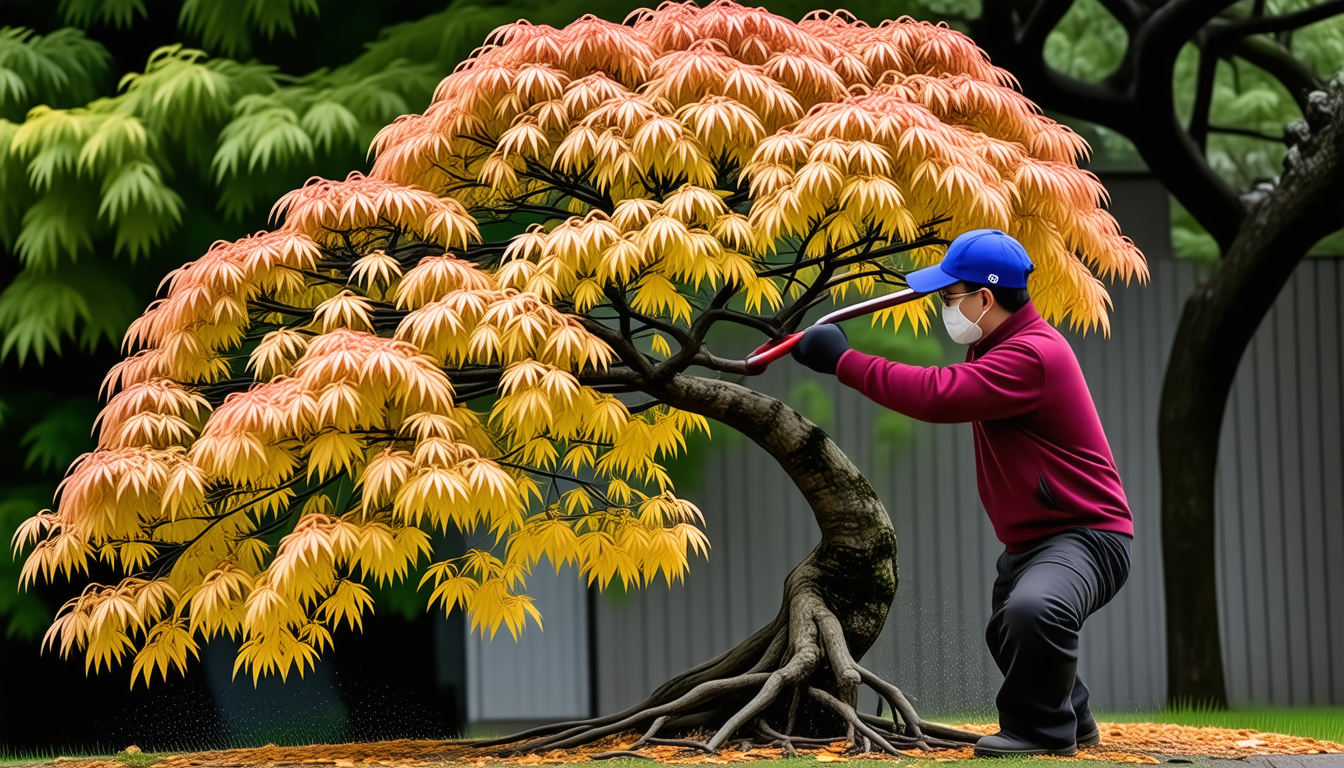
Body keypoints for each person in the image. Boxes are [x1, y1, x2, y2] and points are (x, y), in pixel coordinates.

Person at [790, 229, 1134, 758]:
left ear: (985, 299)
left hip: (1086, 535)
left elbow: (936, 394)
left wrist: (844, 361)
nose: (944, 306)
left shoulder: (1031, 355)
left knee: (1033, 612)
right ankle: (1074, 719)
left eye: (950, 296)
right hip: (1033, 542)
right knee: (1010, 630)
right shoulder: (994, 344)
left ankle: (1041, 734)